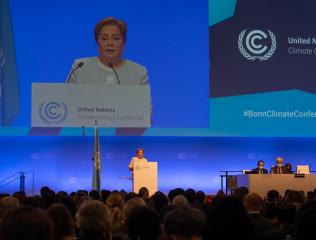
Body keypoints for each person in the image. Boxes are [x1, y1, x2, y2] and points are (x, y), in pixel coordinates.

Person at [67, 17, 149, 86]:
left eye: (116, 38)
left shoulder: (139, 73)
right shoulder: (80, 67)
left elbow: (146, 105)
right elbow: (66, 100)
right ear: (97, 41)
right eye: (104, 39)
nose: (110, 43)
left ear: (124, 42)